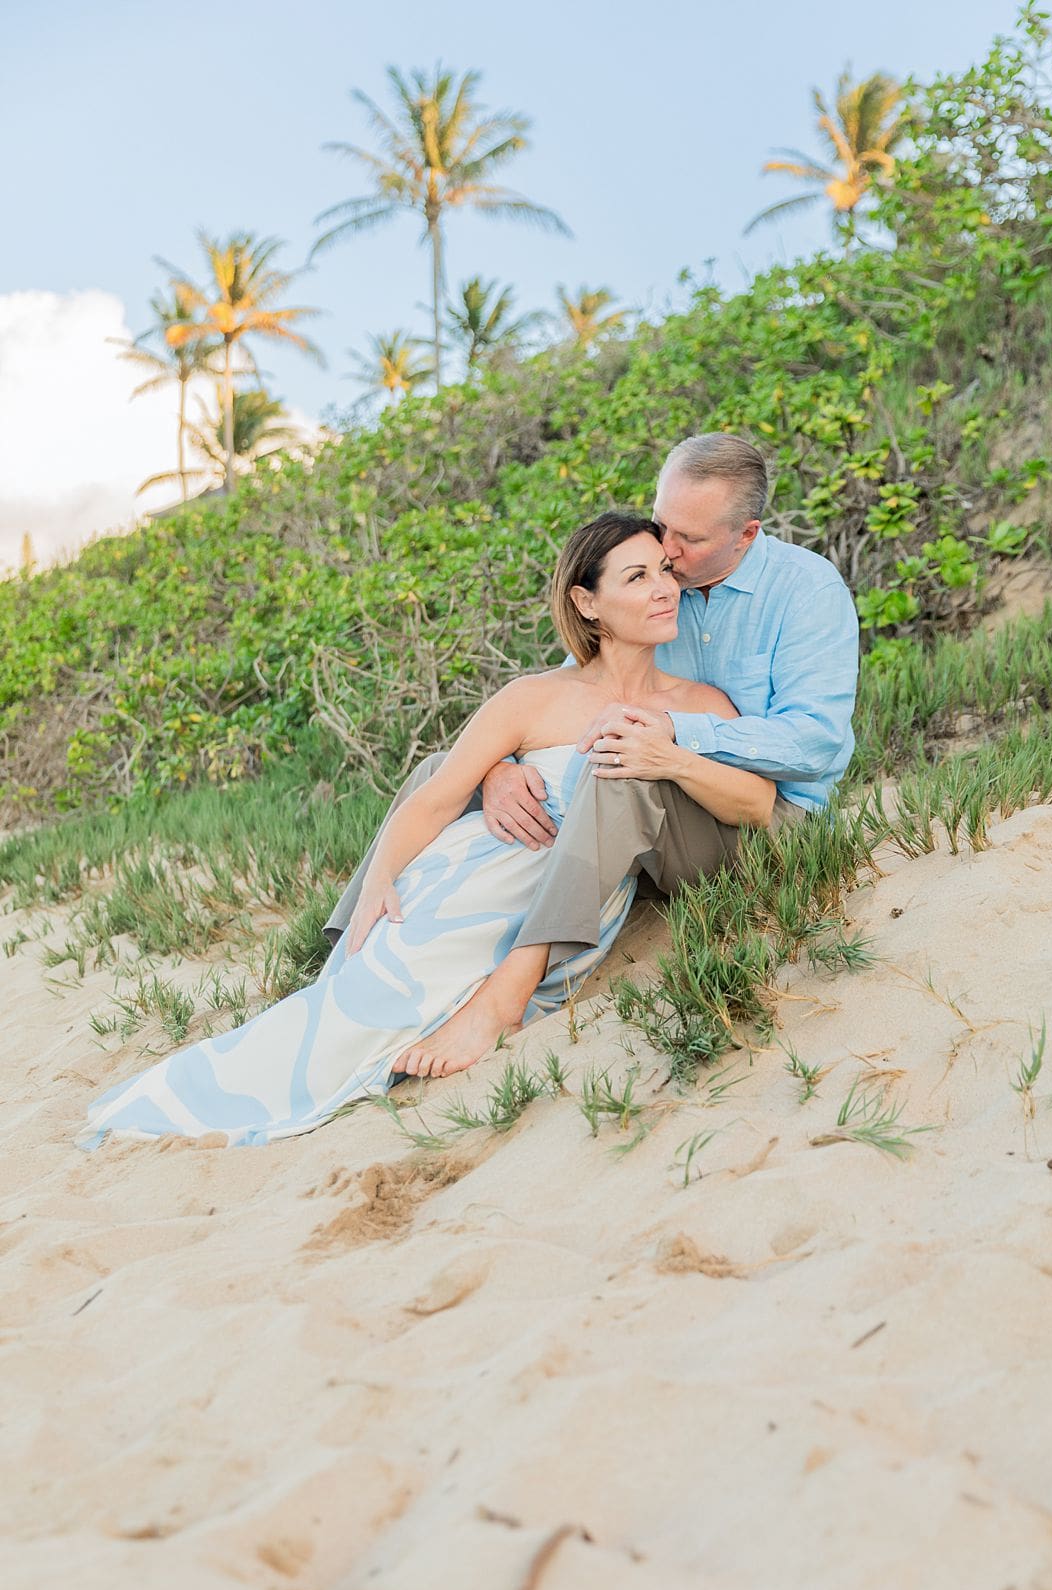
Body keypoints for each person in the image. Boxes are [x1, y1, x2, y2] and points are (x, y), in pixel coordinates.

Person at [78, 513, 776, 1149]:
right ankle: (306, 1011)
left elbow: (758, 805)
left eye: (665, 572)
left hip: (606, 876)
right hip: (498, 869)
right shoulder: (534, 697)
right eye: (637, 576)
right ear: (586, 602)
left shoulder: (701, 702)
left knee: (613, 765)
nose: (665, 589)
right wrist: (381, 880)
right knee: (374, 989)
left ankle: (500, 1000)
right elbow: (437, 797)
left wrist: (669, 756)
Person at [325, 433, 860, 1078]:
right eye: (662, 524)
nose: (667, 550)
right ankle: (347, 947)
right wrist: (499, 767)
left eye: (687, 539)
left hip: (773, 824)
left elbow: (814, 743)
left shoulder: (805, 591)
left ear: (745, 535)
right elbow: (578, 687)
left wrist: (672, 735)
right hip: (658, 814)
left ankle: (507, 996)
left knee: (620, 768)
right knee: (444, 771)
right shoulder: (660, 583)